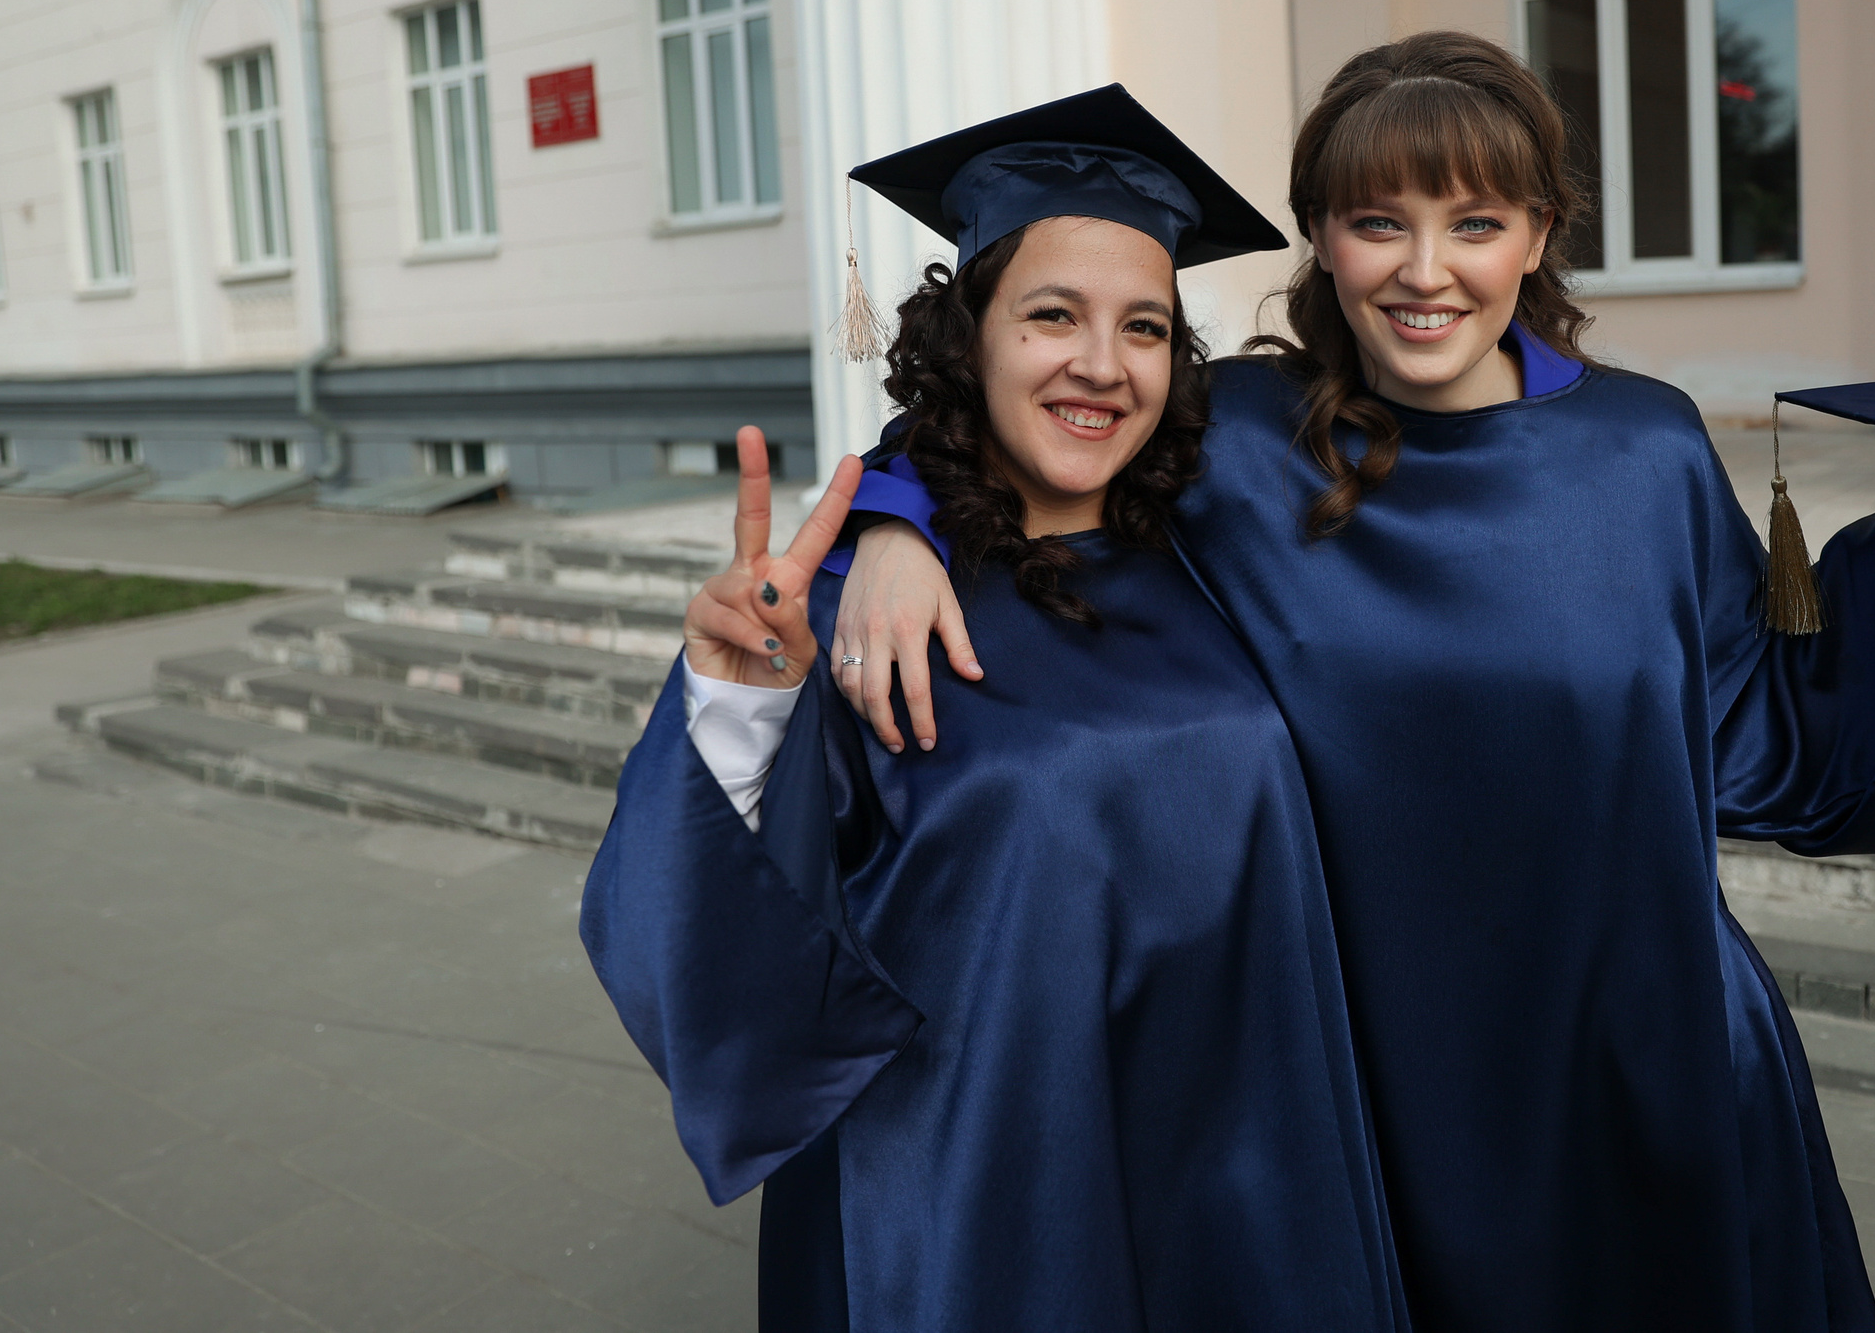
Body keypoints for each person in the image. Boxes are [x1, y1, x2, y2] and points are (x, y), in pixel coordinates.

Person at [830, 32, 1875, 1332]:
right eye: (1379, 221)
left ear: (1538, 235)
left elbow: (1757, 731)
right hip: (1374, 1081)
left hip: (1640, 1059)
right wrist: (893, 518)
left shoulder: (1645, 448)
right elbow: (1035, 419)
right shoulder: (1234, 440)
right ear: (1321, 236)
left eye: (1475, 222)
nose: (1424, 271)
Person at [578, 91, 1410, 1333]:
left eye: (1142, 326)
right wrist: (738, 704)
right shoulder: (856, 613)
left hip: (1236, 1164)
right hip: (980, 1189)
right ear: (970, 341)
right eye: (1051, 315)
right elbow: (700, 930)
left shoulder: (1217, 555)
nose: (1101, 364)